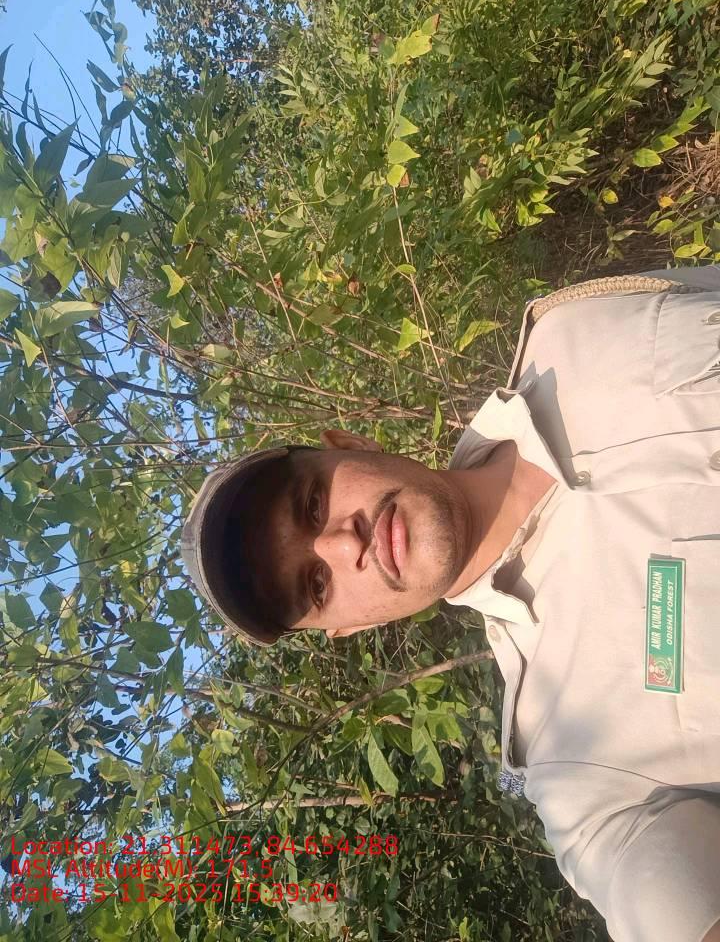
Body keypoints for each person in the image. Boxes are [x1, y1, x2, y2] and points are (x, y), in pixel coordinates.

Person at [181, 266, 720, 942]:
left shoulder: (574, 329)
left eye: (312, 505)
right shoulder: (579, 772)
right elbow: (667, 896)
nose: (344, 543)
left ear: (351, 445)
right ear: (348, 627)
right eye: (315, 585)